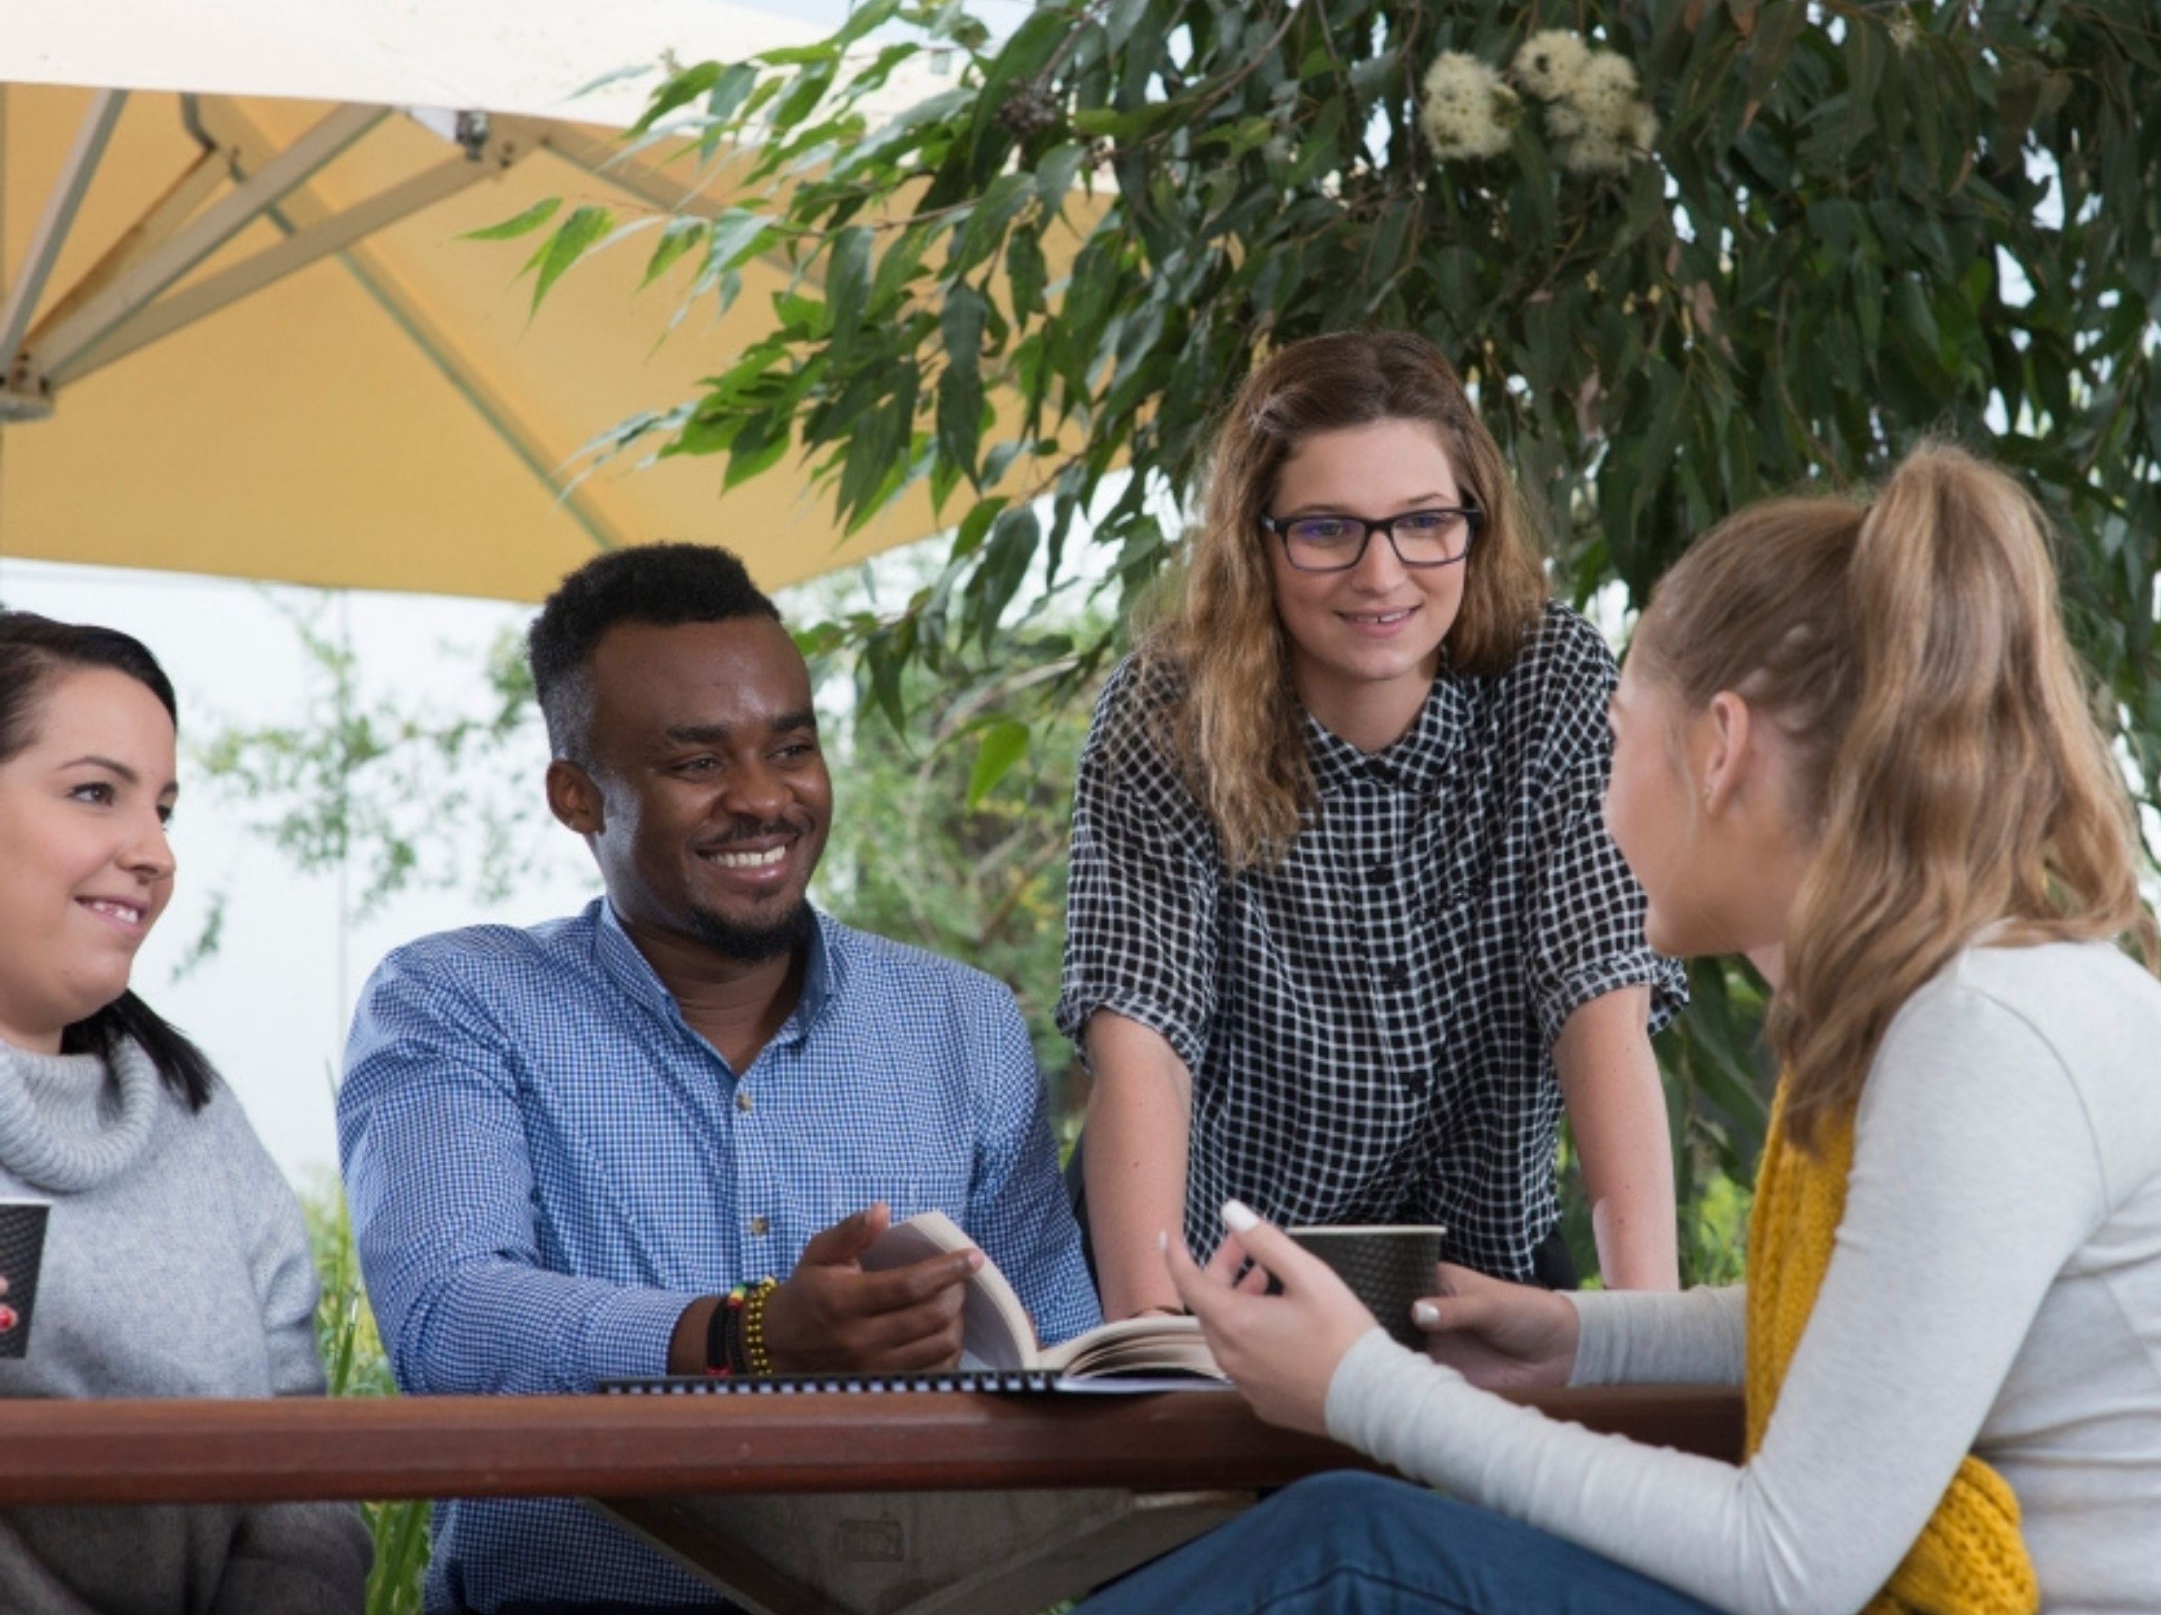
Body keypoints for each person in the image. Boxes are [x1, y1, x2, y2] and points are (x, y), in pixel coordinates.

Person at [1081, 443, 2161, 1615]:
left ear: (1719, 748)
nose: (1602, 802)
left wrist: (1365, 1389)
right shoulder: (1944, 1005)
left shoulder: (1987, 1037)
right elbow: (1882, 1327)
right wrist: (1579, 1334)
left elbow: (1789, 1563)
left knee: (1348, 1553)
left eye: (1619, 742)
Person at [337, 545, 1099, 1614]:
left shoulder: (960, 1022)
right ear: (576, 796)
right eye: (698, 763)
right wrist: (748, 1336)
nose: (763, 798)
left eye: (791, 748)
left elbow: (1060, 1358)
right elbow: (448, 1320)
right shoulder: (459, 1000)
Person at [1062, 330, 1687, 1318]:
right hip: (1220, 1263)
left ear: (1474, 522)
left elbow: (1598, 994)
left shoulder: (1554, 680)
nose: (1382, 573)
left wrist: (1649, 1336)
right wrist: (1151, 1340)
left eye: (1424, 522)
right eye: (1326, 530)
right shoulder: (1168, 710)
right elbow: (1144, 1036)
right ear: (1255, 539)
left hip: (1482, 1262)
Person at [0, 612, 371, 1614]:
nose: (155, 852)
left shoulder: (198, 1120)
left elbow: (304, 1465)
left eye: (163, 809)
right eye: (95, 792)